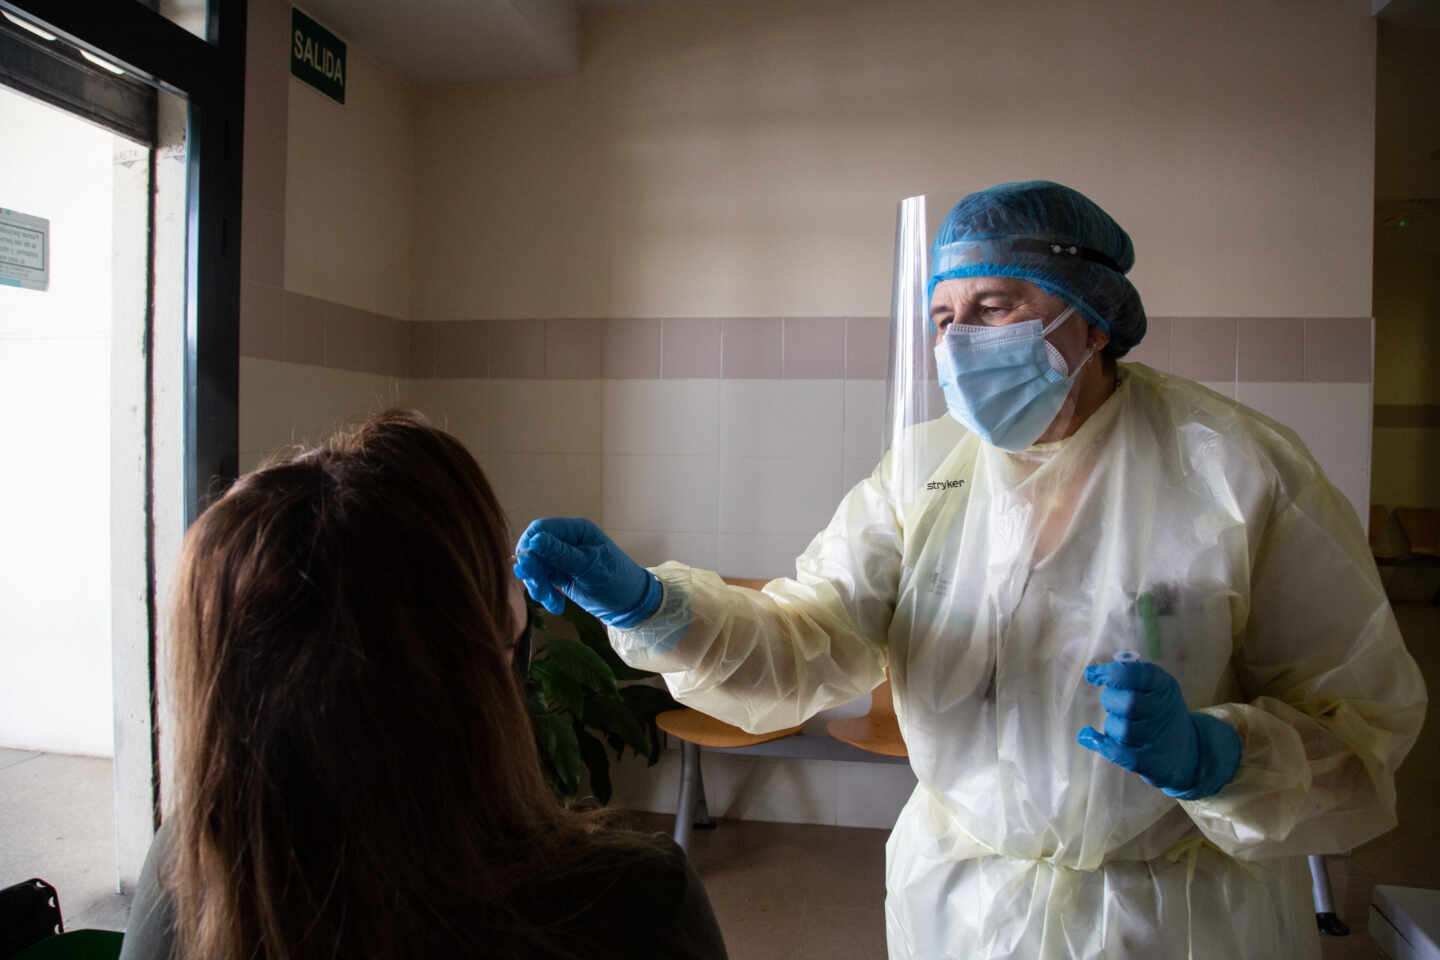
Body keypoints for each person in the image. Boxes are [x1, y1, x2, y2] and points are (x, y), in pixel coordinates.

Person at [514, 181, 1428, 959]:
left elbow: (1360, 723)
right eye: (944, 319)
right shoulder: (925, 472)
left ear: (1092, 315)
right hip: (961, 907)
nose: (960, 344)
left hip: (1176, 916)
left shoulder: (1237, 469)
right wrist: (653, 606)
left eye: (994, 309)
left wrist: (1216, 756)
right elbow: (809, 637)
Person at [119, 411, 728, 960]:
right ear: (484, 663)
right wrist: (657, 607)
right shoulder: (634, 908)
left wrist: (657, 607)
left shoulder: (191, 873)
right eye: (498, 582)